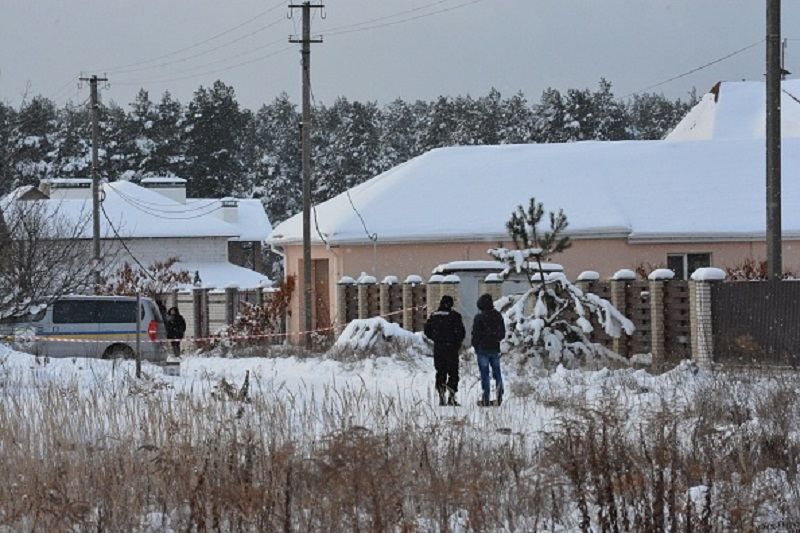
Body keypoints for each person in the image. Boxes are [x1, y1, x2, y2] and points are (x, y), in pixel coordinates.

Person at [424, 295, 466, 406]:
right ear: (451, 304)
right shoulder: (455, 316)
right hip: (451, 348)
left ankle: (441, 395)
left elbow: (427, 331)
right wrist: (456, 343)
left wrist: (436, 338)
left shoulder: (433, 316)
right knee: (453, 373)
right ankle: (451, 397)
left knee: (440, 372)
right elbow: (461, 333)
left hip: (438, 348)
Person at [471, 293, 506, 406]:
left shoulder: (479, 317)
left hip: (482, 349)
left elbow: (475, 334)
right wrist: (495, 338)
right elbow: (502, 334)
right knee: (497, 373)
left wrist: (476, 345)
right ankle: (499, 395)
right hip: (494, 348)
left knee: (485, 374)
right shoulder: (498, 316)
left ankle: (486, 398)